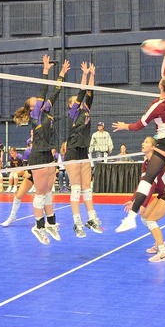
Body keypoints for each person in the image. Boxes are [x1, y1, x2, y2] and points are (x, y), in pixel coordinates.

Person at [114, 40, 165, 232]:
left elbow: (140, 125)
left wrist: (125, 126)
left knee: (147, 179)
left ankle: (131, 217)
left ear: (160, 86)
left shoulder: (157, 106)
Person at [13, 54, 69, 244]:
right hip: (37, 155)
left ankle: (51, 223)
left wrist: (61, 74)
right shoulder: (36, 114)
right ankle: (38, 226)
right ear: (31, 108)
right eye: (34, 101)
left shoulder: (46, 111)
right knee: (40, 193)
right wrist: (45, 70)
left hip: (48, 154)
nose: (37, 101)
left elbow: (55, 92)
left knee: (48, 191)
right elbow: (44, 91)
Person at [64, 62, 103, 237]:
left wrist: (92, 75)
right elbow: (82, 91)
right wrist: (84, 75)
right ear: (71, 105)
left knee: (87, 188)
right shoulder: (73, 113)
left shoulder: (86, 110)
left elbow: (90, 93)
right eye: (74, 101)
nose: (77, 101)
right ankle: (77, 222)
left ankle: (92, 219)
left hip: (83, 151)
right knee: (76, 189)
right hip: (72, 151)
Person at [127, 137, 165, 262]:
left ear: (153, 147)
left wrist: (143, 204)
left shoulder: (157, 163)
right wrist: (133, 199)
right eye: (143, 141)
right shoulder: (146, 164)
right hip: (162, 195)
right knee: (144, 217)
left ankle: (163, 252)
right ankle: (159, 243)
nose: (142, 143)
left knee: (150, 220)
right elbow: (143, 184)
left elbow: (151, 187)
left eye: (146, 142)